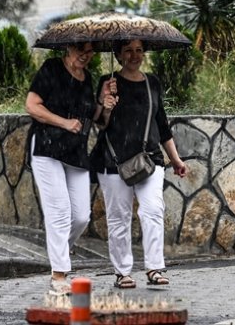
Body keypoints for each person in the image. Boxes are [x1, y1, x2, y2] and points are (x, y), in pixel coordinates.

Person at [92, 39, 188, 289]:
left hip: (150, 159)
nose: (134, 55)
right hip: (114, 161)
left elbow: (162, 123)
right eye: (128, 50)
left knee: (153, 210)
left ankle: (154, 267)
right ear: (118, 54)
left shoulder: (151, 83)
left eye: (138, 50)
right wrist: (106, 105)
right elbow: (99, 124)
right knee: (119, 217)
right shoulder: (107, 82)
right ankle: (122, 272)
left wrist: (175, 159)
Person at [26, 41, 117, 295]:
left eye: (89, 52)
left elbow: (98, 121)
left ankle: (59, 255)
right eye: (80, 50)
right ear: (68, 48)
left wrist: (104, 103)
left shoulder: (88, 78)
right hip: (47, 148)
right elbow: (32, 106)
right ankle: (59, 277)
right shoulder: (52, 68)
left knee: (80, 216)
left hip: (75, 153)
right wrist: (64, 123)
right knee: (60, 211)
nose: (85, 56)